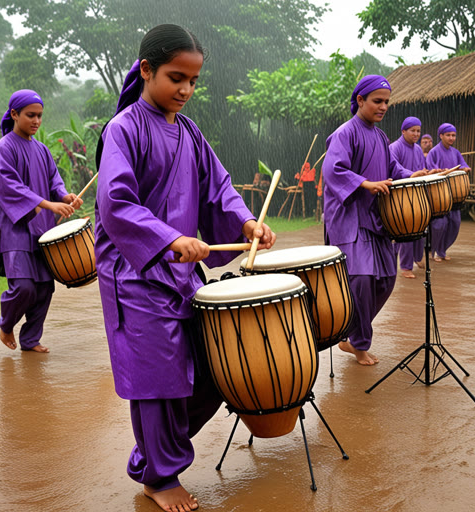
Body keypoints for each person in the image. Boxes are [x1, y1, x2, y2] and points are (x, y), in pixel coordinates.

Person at [94, 24, 275, 512]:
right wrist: (169, 237)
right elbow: (115, 203)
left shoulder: (189, 131)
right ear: (147, 70)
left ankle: (152, 457)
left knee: (212, 373)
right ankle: (160, 476)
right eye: (177, 78)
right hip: (135, 274)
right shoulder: (124, 128)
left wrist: (245, 221)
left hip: (183, 274)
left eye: (194, 81)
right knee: (158, 381)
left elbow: (219, 186)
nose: (187, 91)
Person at [322, 75, 427, 366]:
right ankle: (357, 342)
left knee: (386, 280)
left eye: (386, 102)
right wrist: (365, 184)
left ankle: (351, 333)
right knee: (362, 279)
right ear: (360, 100)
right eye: (377, 101)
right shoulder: (345, 133)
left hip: (376, 217)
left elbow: (392, 167)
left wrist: (410, 175)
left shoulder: (381, 137)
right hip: (349, 218)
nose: (383, 107)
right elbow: (333, 171)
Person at [0, 90, 83, 353]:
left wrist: (64, 195)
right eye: (30, 115)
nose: (36, 121)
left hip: (43, 229)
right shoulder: (4, 148)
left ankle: (31, 339)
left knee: (45, 289)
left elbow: (54, 181)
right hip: (15, 229)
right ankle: (6, 323)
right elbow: (10, 187)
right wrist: (47, 204)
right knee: (24, 287)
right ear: (14, 115)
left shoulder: (42, 150)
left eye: (40, 116)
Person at [389, 117, 428, 278]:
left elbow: (420, 168)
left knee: (420, 226)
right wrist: (411, 175)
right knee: (406, 229)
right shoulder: (394, 147)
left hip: (415, 192)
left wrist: (427, 172)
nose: (416, 134)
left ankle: (417, 256)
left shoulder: (418, 149)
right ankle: (405, 267)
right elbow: (394, 169)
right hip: (401, 194)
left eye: (418, 131)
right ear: (403, 131)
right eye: (412, 130)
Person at [426, 123, 471, 262]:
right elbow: (430, 168)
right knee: (439, 224)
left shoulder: (455, 152)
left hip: (454, 194)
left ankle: (442, 250)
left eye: (453, 135)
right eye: (448, 135)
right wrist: (439, 171)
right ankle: (431, 251)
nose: (451, 138)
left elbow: (463, 164)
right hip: (439, 194)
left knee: (455, 222)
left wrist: (466, 169)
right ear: (441, 136)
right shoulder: (434, 152)